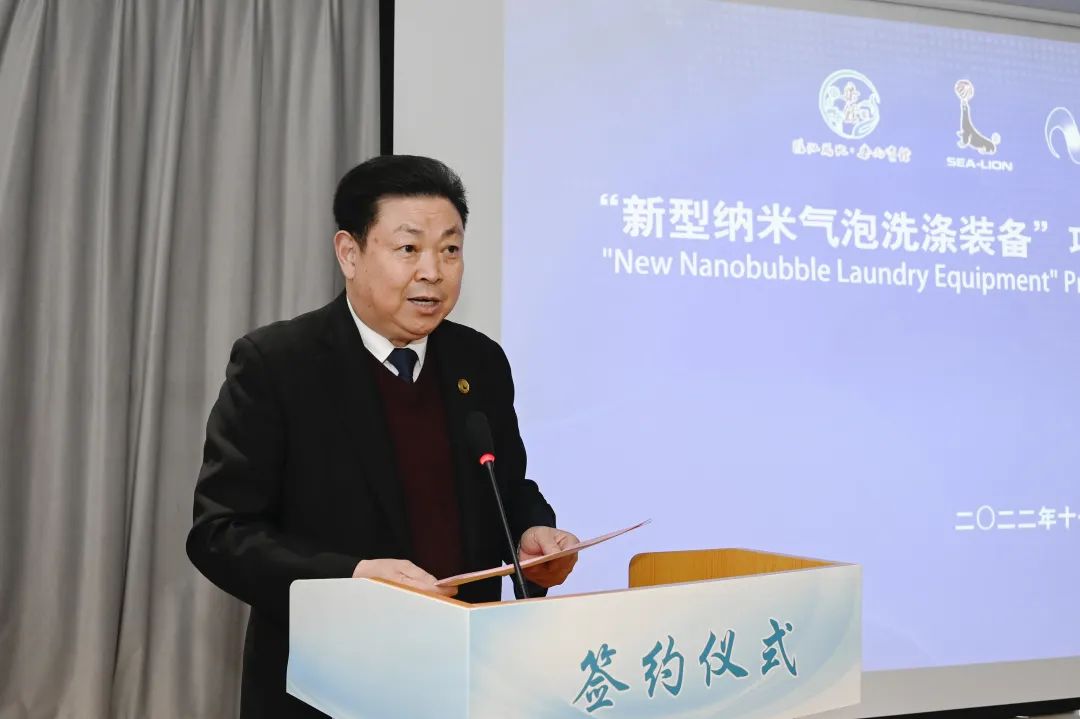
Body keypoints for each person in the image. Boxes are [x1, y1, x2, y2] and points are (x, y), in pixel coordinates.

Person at [186, 155, 578, 718]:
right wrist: (353, 578)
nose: (433, 271)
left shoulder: (479, 361)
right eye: (408, 248)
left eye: (450, 249)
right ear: (350, 253)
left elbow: (505, 484)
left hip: (467, 679)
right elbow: (221, 533)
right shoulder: (278, 364)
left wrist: (531, 535)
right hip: (328, 686)